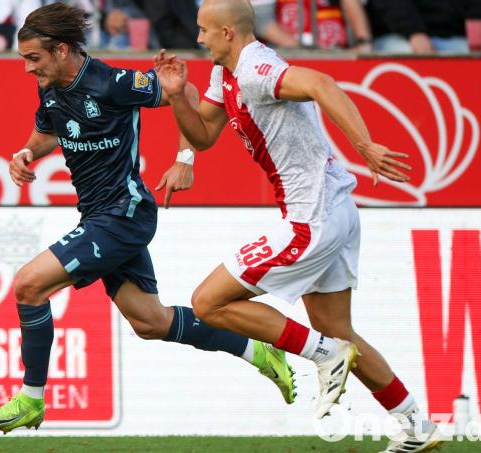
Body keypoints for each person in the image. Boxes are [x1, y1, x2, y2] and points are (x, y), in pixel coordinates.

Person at [0, 2, 296, 434]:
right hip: (98, 216)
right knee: (151, 321)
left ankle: (32, 399)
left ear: (63, 50)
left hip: (122, 215)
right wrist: (28, 151)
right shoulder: (51, 87)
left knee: (29, 285)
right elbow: (50, 129)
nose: (28, 68)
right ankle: (257, 352)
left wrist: (185, 158)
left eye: (34, 58)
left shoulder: (112, 82)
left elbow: (185, 94)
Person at [154, 1, 441, 451]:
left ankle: (324, 355)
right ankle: (414, 425)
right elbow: (204, 135)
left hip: (314, 218)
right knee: (340, 332)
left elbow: (321, 83)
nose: (198, 38)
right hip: (334, 211)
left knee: (207, 303)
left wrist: (363, 145)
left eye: (204, 30)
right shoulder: (223, 72)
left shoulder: (256, 68)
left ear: (227, 32)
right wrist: (176, 97)